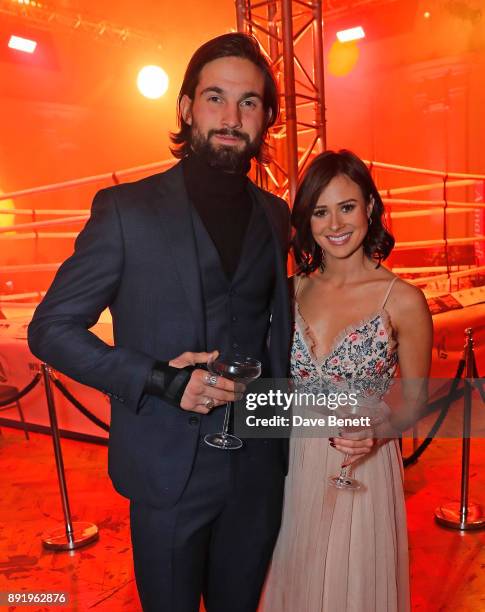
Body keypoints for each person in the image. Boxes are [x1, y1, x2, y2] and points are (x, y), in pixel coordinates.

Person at [27, 34, 373, 611]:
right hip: (169, 472)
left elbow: (294, 339)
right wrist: (161, 379)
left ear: (266, 118)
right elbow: (50, 328)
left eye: (249, 102)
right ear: (187, 107)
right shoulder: (125, 212)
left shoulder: (274, 216)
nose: (231, 117)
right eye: (216, 97)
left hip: (259, 469)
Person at [260, 150, 433, 612]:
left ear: (370, 208)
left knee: (351, 591)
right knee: (295, 583)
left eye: (347, 206)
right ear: (306, 221)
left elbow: (415, 406)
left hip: (362, 468)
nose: (334, 223)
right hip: (293, 463)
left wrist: (378, 432)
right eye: (320, 211)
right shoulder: (291, 289)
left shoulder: (404, 300)